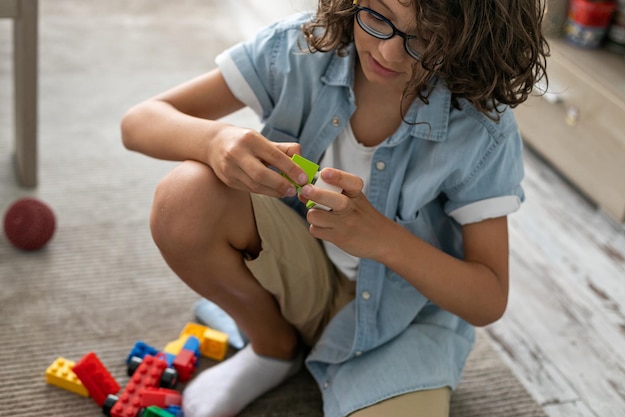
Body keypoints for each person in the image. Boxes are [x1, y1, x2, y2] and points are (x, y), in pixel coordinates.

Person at [120, 0, 549, 415]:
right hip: (299, 274)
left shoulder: (480, 126)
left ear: (471, 44)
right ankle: (274, 347)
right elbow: (139, 122)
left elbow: (488, 298)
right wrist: (213, 142)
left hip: (401, 323)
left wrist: (381, 239)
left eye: (427, 40)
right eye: (378, 16)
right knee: (187, 196)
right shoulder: (301, 48)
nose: (388, 50)